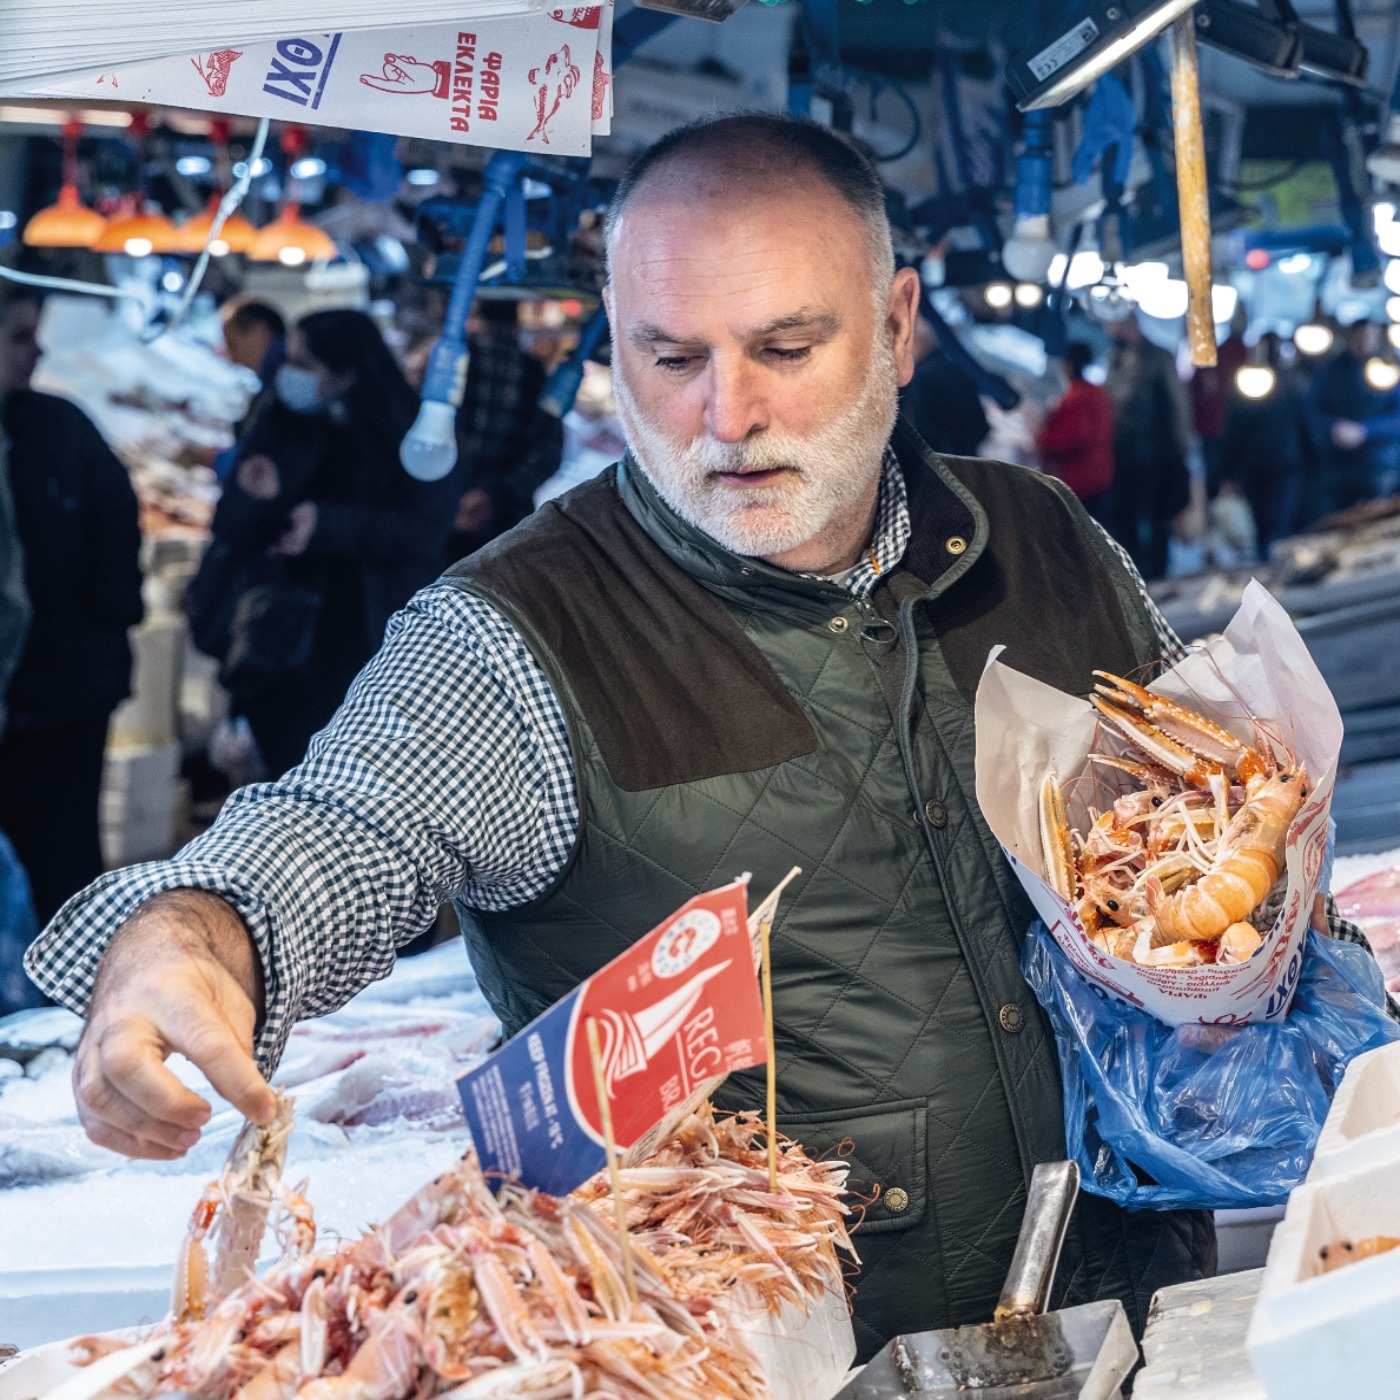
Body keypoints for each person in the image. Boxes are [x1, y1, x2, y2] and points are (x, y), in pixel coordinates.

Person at [33, 113, 1373, 1360]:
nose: (726, 417)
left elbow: (1194, 797)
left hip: (1126, 1320)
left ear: (899, 329)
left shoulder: (1040, 537)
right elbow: (336, 831)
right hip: (768, 1363)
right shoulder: (518, 633)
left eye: (787, 350)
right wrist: (193, 941)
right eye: (669, 360)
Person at [188, 309, 458, 777]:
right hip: (280, 645)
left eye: (304, 364)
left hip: (368, 639)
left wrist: (329, 525)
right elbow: (230, 530)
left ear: (346, 374)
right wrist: (258, 499)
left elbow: (426, 532)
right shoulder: (277, 422)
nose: (288, 373)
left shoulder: (412, 438)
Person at [0, 284, 144, 926]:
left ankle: (73, 1019)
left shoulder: (60, 429)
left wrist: (91, 661)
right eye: (20, 337)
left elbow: (118, 546)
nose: (39, 351)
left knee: (66, 878)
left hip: (58, 707)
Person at [447, 299, 564, 563]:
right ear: (516, 324)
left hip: (443, 513)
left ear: (476, 320)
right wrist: (496, 494)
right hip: (506, 522)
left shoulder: (450, 365)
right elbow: (549, 454)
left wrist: (455, 492)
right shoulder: (535, 373)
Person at [1105, 314, 1192, 580]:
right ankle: (1135, 569)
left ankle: (1157, 569)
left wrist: (1180, 448)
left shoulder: (1158, 357)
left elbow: (1178, 406)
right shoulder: (1115, 359)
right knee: (1126, 516)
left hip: (1156, 454)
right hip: (1124, 453)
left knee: (1156, 517)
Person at [1220, 333, 1311, 553]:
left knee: (1277, 524)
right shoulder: (1289, 381)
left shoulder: (1291, 382)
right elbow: (1234, 428)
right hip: (1266, 466)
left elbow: (1304, 425)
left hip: (1281, 466)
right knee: (1269, 526)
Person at [1305, 319, 1400, 524]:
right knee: (1332, 523)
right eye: (1360, 335)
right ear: (1349, 337)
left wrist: (1365, 431)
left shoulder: (1391, 368)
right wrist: (1334, 427)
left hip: (1378, 465)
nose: (1364, 341)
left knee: (1376, 523)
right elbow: (1312, 411)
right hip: (1335, 464)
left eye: (1370, 335)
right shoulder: (1331, 370)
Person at [1036, 341, 1115, 522]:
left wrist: (1041, 438)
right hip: (1101, 475)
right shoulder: (1097, 392)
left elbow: (1068, 439)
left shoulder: (1076, 398)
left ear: (1068, 365)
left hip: (1082, 480)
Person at [212, 298, 287, 482]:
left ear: (259, 331)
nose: (233, 358)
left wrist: (218, 460)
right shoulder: (271, 382)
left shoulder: (282, 384)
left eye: (232, 344)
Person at [899, 316, 989, 458]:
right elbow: (981, 426)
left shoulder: (922, 380)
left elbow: (922, 430)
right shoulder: (957, 372)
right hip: (968, 464)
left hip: (936, 467)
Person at [1190, 303, 1248, 496]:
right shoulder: (1214, 355)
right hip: (1214, 429)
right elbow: (1195, 391)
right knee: (1215, 480)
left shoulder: (1248, 355)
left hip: (1236, 429)